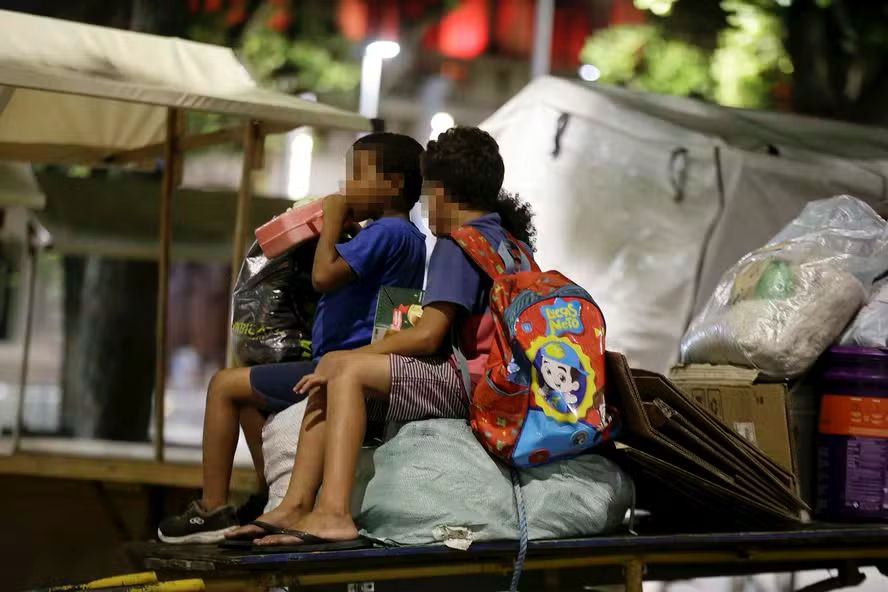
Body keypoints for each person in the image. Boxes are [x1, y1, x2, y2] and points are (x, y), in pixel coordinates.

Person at [229, 127, 536, 547]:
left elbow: (428, 336)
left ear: (441, 192)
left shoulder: (458, 245)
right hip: (509, 382)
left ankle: (333, 512)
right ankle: (294, 505)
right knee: (341, 367)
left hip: (476, 384)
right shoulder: (512, 245)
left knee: (345, 372)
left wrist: (359, 357)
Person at [158, 133, 427, 544]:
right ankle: (268, 497)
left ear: (391, 184)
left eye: (358, 174)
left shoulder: (387, 232)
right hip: (351, 362)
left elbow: (323, 276)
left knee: (223, 385)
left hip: (339, 363)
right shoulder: (408, 239)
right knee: (248, 398)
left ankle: (211, 508)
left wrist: (333, 219)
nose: (346, 186)